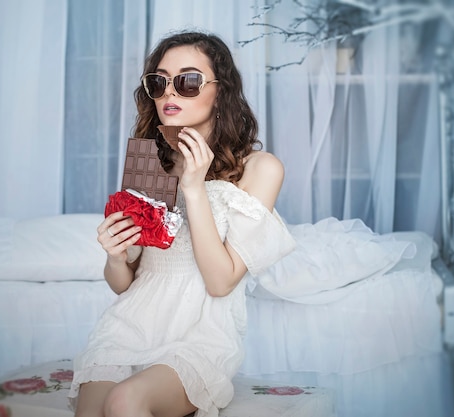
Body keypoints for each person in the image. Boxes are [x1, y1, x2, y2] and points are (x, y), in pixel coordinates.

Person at [68, 30, 295, 417]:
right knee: (93, 409)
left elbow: (221, 282)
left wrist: (193, 188)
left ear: (221, 91)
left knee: (125, 402)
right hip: (130, 326)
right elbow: (127, 284)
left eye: (188, 81)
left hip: (201, 335)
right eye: (159, 82)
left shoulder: (260, 169)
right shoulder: (148, 164)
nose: (170, 93)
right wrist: (116, 257)